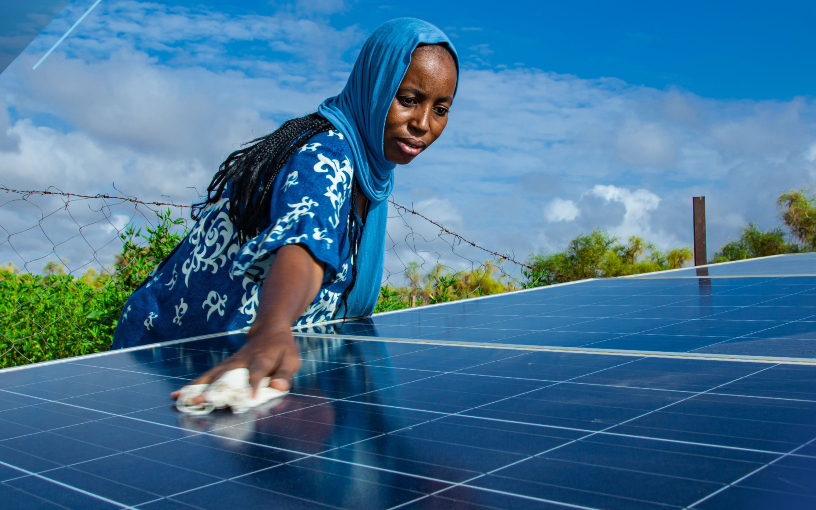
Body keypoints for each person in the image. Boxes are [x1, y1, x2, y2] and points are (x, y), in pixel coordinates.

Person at [109, 18, 459, 400]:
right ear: (374, 86)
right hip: (164, 354)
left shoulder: (370, 171)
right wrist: (274, 325)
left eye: (440, 109)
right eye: (408, 99)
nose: (423, 124)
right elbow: (304, 245)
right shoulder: (325, 156)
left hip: (235, 358)